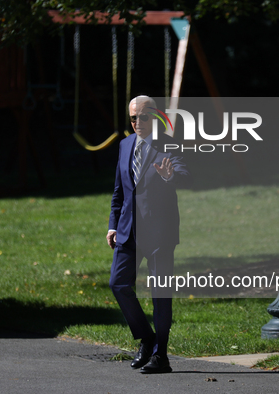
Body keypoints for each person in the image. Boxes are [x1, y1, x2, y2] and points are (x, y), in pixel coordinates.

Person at [106, 95, 192, 374]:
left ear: (154, 116)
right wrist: (112, 225)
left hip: (159, 233)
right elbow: (119, 191)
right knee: (118, 284)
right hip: (128, 231)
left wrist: (169, 177)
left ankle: (161, 356)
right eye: (133, 118)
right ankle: (147, 338)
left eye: (142, 117)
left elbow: (185, 173)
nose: (137, 123)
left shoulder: (169, 144)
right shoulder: (124, 145)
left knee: (160, 294)